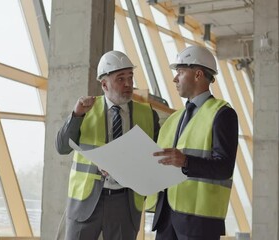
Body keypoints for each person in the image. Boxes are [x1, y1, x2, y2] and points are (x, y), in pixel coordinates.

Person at [56, 50, 160, 240]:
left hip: (125, 202)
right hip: (87, 200)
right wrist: (76, 116)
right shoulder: (86, 109)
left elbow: (154, 159)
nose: (128, 84)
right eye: (120, 79)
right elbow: (62, 146)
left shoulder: (147, 114)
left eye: (130, 77)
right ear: (104, 84)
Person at [151, 45, 239, 240]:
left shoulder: (222, 114)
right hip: (166, 219)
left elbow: (224, 167)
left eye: (180, 72)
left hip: (199, 222)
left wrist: (186, 161)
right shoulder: (175, 118)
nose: (175, 78)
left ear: (198, 74)